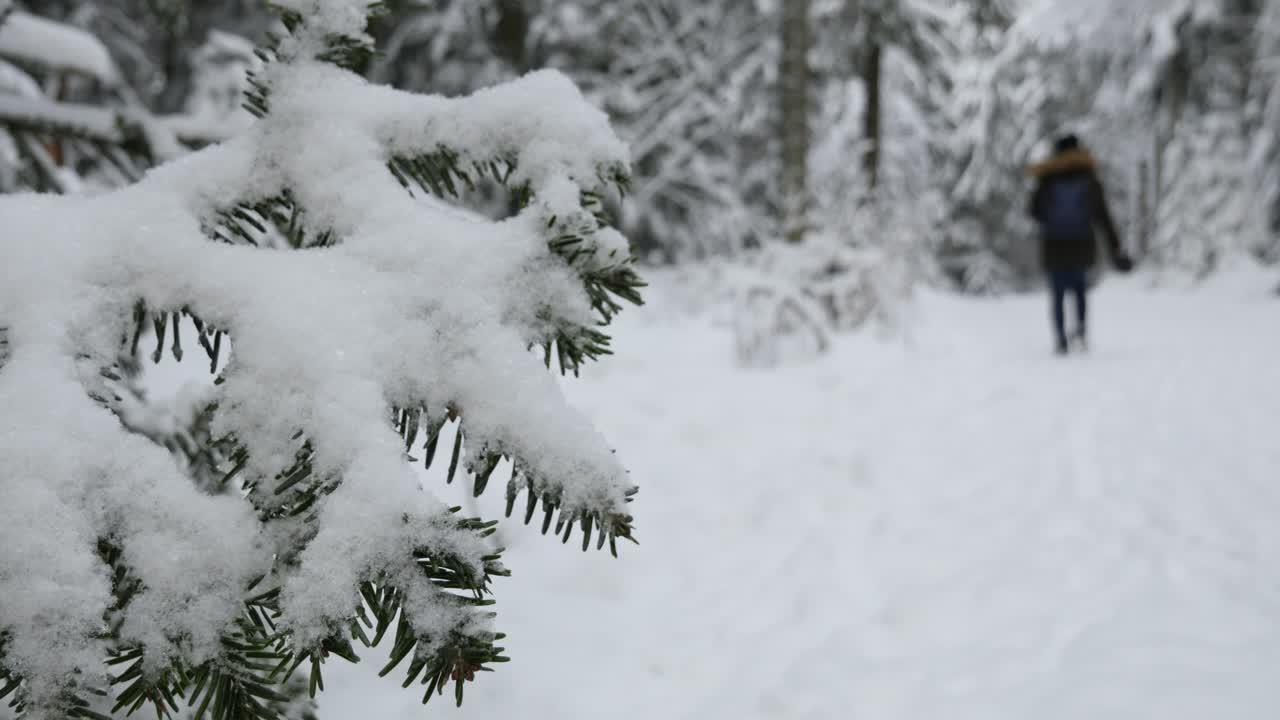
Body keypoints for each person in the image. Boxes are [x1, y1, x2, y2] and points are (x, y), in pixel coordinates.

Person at [1027, 134, 1134, 355]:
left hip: (1054, 245)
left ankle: (1060, 339)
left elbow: (1034, 212)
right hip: (1082, 244)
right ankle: (1082, 334)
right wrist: (1115, 247)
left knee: (1057, 294)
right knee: (1079, 291)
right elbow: (1103, 217)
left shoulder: (1047, 178)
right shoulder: (1089, 179)